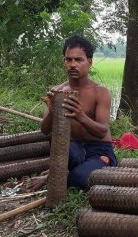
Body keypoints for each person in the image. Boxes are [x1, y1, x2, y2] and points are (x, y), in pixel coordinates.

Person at [27, 35, 117, 191]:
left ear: (89, 62)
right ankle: (74, 169)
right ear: (64, 62)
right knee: (57, 142)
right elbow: (45, 130)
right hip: (74, 149)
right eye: (68, 60)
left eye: (78, 60)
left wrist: (81, 116)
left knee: (79, 179)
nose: (73, 64)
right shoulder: (58, 92)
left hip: (99, 149)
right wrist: (52, 113)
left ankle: (63, 173)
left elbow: (103, 131)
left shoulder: (100, 92)